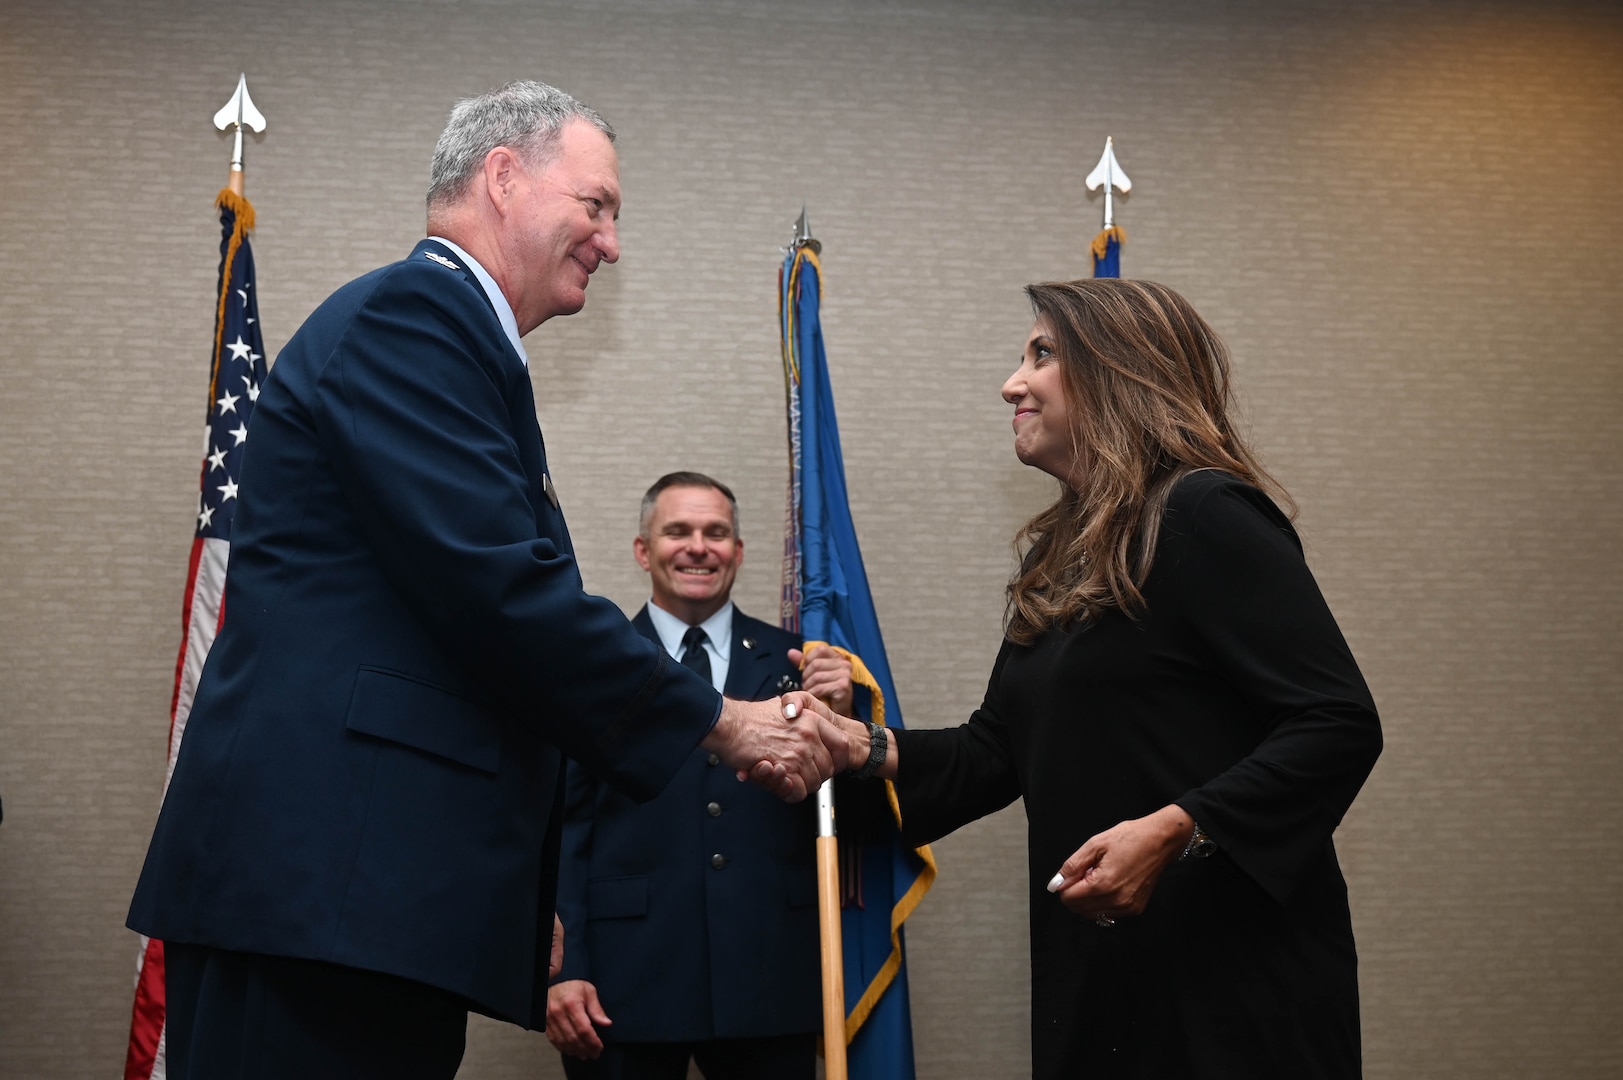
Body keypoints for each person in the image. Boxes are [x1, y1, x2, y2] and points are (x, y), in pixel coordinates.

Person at [126, 81, 832, 1080]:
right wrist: (727, 723)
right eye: (598, 206)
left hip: (366, 903)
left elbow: (464, 640)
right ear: (504, 176)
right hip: (319, 900)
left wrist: (531, 886)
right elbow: (501, 596)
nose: (611, 241)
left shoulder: (455, 343)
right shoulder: (414, 319)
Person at [797, 278, 1383, 1079]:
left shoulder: (1203, 514)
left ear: (1117, 372)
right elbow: (991, 753)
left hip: (1228, 984)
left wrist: (1174, 828)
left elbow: (1336, 722)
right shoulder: (1063, 554)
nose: (1012, 382)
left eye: (1042, 354)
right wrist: (859, 748)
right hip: (1102, 980)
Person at [547, 472, 855, 1080]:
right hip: (622, 981)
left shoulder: (808, 666)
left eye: (716, 533)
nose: (698, 547)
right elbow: (560, 827)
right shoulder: (596, 666)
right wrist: (565, 966)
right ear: (644, 550)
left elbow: (854, 820)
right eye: (677, 531)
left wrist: (843, 722)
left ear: (737, 553)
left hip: (771, 974)